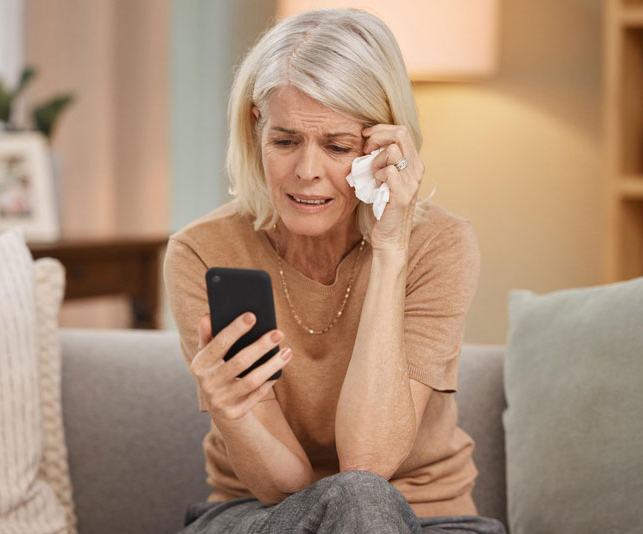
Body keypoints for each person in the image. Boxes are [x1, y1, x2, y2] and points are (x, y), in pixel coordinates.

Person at [164, 7, 506, 534]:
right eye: (285, 141)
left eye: (338, 146)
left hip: (424, 520)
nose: (307, 171)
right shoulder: (201, 252)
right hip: (264, 517)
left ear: (382, 146)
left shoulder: (440, 245)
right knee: (355, 500)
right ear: (256, 129)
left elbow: (368, 462)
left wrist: (391, 248)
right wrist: (232, 413)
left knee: (363, 496)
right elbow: (286, 485)